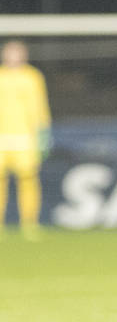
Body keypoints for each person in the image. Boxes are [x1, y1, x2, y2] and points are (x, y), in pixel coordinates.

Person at [0, 40, 51, 237]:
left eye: (17, 53)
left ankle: (29, 224)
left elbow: (41, 107)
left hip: (25, 138)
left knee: (28, 180)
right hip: (1, 137)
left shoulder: (33, 77)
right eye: (10, 53)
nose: (13, 56)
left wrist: (44, 134)